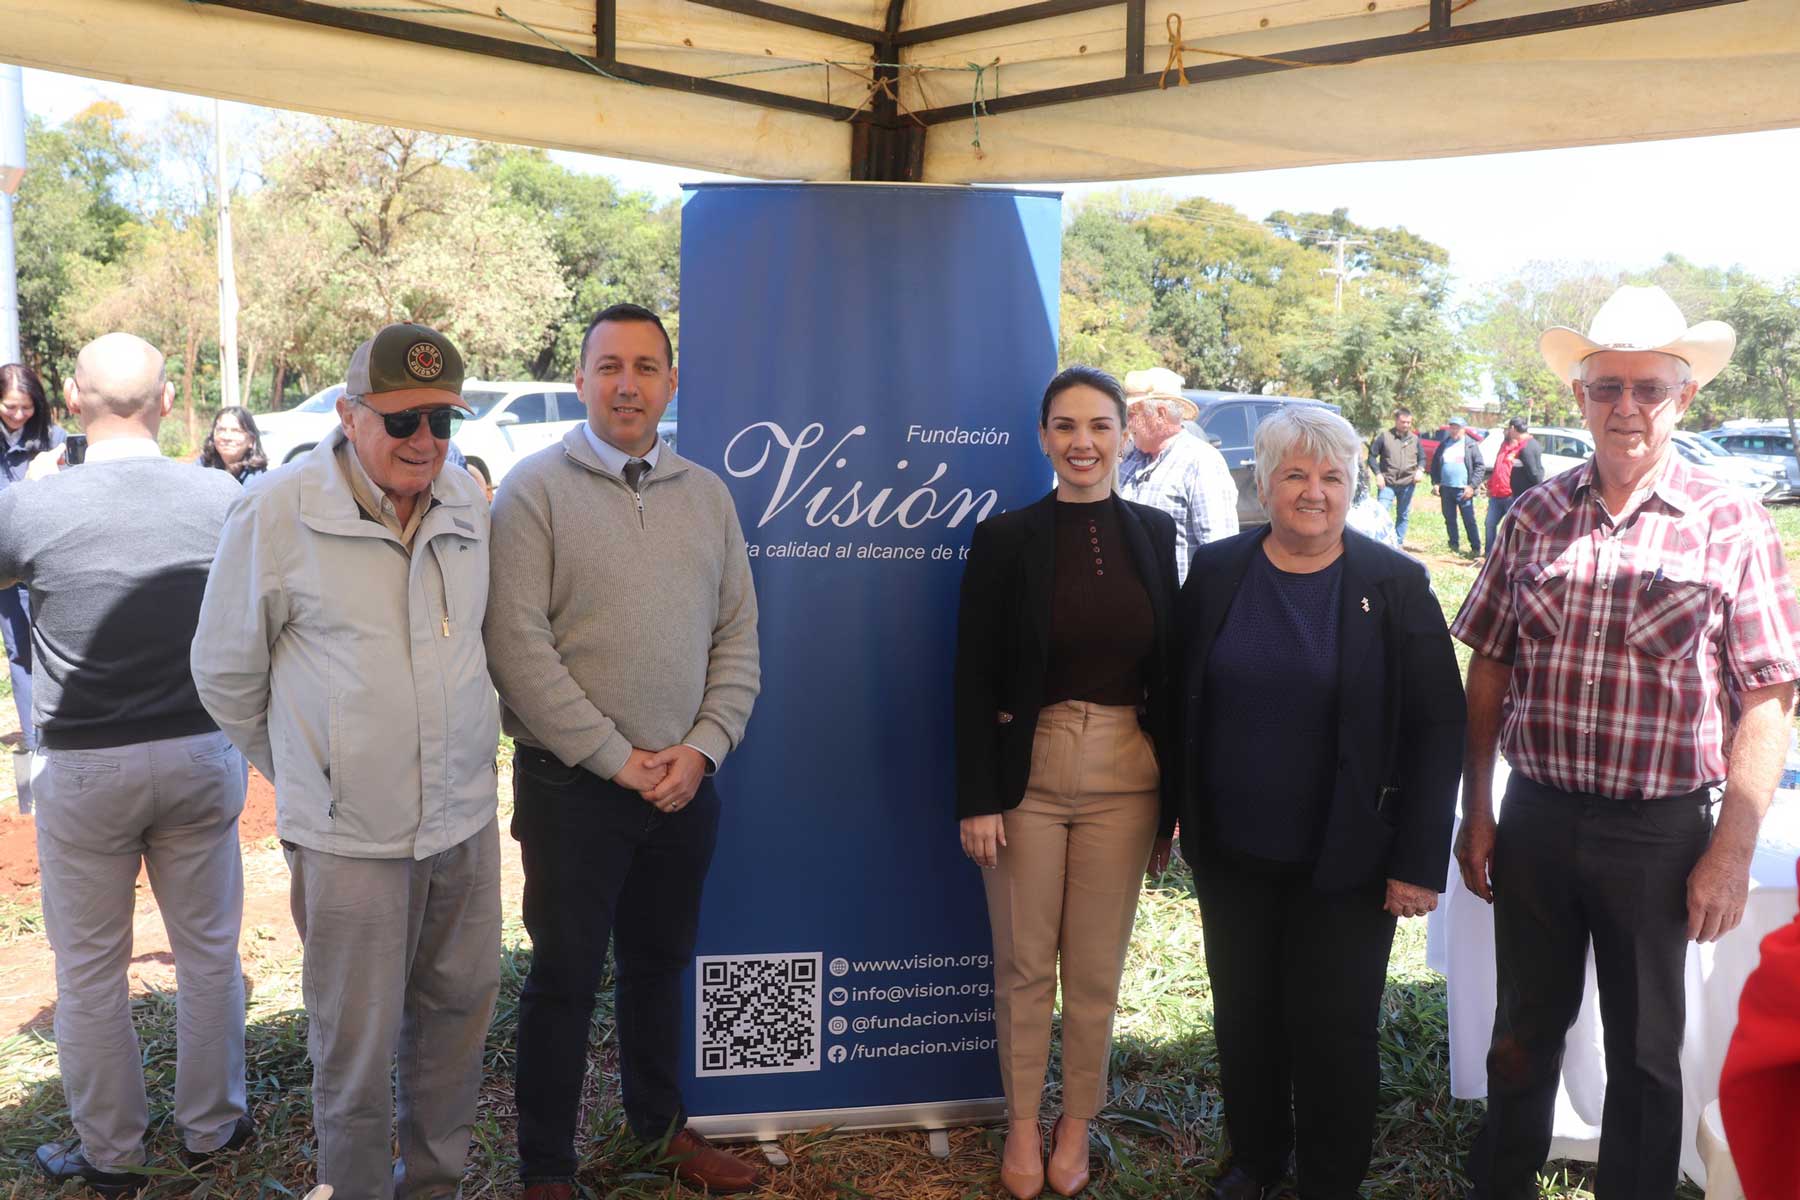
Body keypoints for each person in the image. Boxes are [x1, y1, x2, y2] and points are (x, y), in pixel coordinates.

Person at [1452, 285, 1800, 1200]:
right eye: (1606, 387)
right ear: (1579, 398)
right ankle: (1501, 1184)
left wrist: (1730, 853)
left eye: (1649, 388)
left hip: (1660, 831)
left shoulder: (1733, 524)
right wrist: (1478, 810)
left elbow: (1769, 697)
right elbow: (1488, 667)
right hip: (1537, 815)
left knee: (1647, 1049)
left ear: (1684, 399)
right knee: (1522, 1027)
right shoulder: (1531, 516)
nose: (1626, 407)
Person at [192, 323, 501, 1200]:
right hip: (349, 842)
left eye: (443, 422)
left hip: (464, 825)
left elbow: (481, 643)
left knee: (456, 1023)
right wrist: (309, 772)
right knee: (355, 1049)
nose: (425, 442)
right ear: (348, 414)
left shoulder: (467, 504)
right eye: (402, 422)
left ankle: (434, 1186)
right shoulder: (277, 510)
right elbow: (223, 671)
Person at [484, 303, 764, 1200]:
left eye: (647, 367)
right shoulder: (534, 491)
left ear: (671, 383)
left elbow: (738, 640)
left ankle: (658, 1127)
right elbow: (517, 646)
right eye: (609, 366)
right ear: (580, 380)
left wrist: (703, 749)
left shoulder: (708, 496)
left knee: (659, 966)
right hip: (573, 785)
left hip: (684, 786)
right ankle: (547, 1168)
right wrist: (615, 757)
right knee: (563, 979)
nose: (628, 384)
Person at [1176, 404, 1464, 1200]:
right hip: (1234, 851)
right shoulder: (1219, 571)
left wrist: (1417, 862)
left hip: (1350, 858)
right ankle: (1256, 1163)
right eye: (1295, 475)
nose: (1313, 492)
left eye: (1332, 476)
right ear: (1263, 485)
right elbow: (1180, 696)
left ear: (1354, 486)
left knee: (1334, 1030)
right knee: (1245, 1019)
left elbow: (1439, 728)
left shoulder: (1394, 582)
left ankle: (1330, 1180)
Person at [0, 334, 251, 1196]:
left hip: (84, 764)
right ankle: (212, 1126)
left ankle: (112, 1153)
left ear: (71, 399)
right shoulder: (219, 493)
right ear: (168, 401)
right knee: (210, 951)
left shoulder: (36, 503)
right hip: (198, 747)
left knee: (92, 969)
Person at [955, 365, 1180, 1200]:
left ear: (1125, 436)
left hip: (1129, 774)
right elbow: (971, 677)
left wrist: (1173, 811)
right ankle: (1022, 1123)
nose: (1082, 442)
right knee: (1021, 963)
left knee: (1094, 971)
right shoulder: (1005, 538)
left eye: (1099, 426)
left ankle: (1074, 1123)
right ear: (1044, 437)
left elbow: (1176, 674)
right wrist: (977, 796)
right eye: (1065, 426)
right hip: (1028, 776)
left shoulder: (1155, 536)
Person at [0, 362, 65, 805]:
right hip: (5, 567)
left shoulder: (54, 442)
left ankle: (63, 740)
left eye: (26, 408)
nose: (18, 416)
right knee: (19, 654)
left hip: (44, 561)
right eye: (9, 407)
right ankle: (36, 749)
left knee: (52, 650)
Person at [1117, 366, 1238, 583]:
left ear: (1160, 414)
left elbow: (1222, 552)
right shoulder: (1129, 457)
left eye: (1132, 414)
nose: (1127, 423)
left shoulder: (1201, 462)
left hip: (1178, 607)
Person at [1481, 417, 1543, 554]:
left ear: (1513, 429)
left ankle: (1507, 555)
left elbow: (1535, 474)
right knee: (1490, 524)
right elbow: (1498, 469)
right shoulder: (1503, 447)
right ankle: (1489, 554)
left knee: (1512, 528)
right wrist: (1491, 486)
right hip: (1498, 495)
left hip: (1512, 495)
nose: (1505, 431)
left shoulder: (1524, 447)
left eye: (1507, 429)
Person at [1429, 415, 1485, 557]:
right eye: (1452, 427)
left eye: (1457, 428)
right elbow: (1435, 465)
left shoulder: (1471, 445)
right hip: (1446, 489)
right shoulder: (1444, 445)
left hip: (1464, 490)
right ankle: (1453, 545)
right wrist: (1436, 482)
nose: (1454, 430)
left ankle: (1475, 548)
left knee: (1469, 519)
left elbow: (1479, 467)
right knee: (1449, 518)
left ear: (1463, 429)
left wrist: (1472, 486)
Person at [1368, 406, 1423, 547]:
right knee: (1381, 512)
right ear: (1396, 421)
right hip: (1387, 483)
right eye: (1403, 422)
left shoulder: (1415, 439)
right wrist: (1378, 474)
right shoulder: (1385, 436)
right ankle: (1378, 543)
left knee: (1403, 515)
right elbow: (1372, 456)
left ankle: (1397, 544)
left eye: (1409, 422)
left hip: (1407, 484)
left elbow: (1422, 458)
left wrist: (1420, 470)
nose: (1406, 425)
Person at [197, 406, 269, 483]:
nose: (227, 437)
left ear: (251, 440)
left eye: (236, 431)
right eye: (221, 430)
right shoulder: (200, 468)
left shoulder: (261, 480)